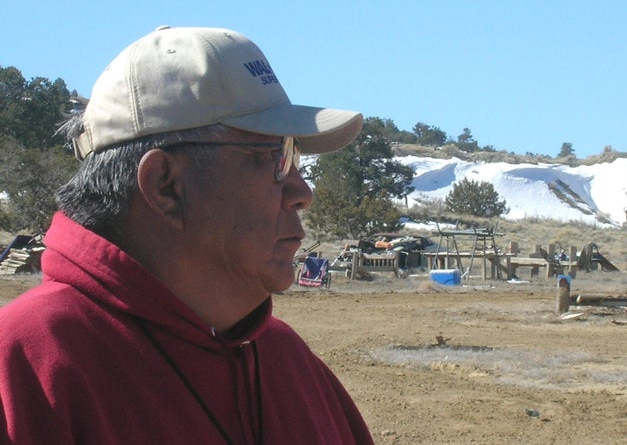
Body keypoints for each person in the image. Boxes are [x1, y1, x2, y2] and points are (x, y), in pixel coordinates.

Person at [0, 26, 374, 444]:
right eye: (275, 158)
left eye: (295, 156)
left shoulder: (285, 360)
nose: (302, 193)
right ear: (166, 186)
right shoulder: (27, 368)